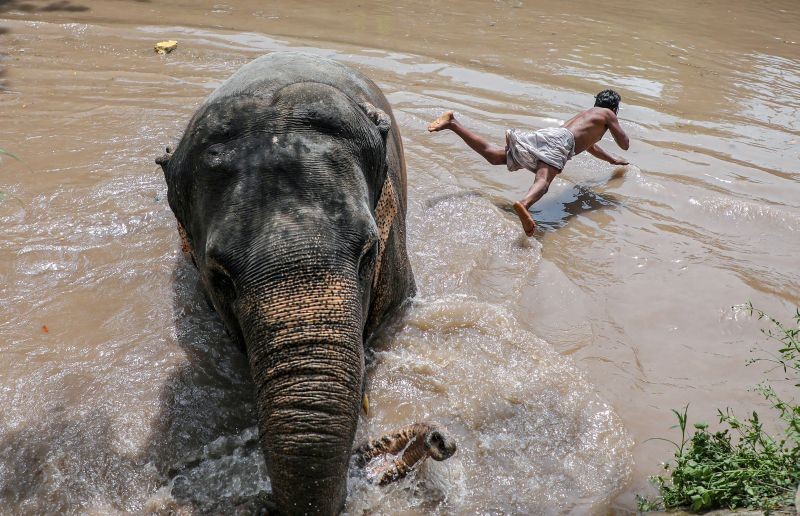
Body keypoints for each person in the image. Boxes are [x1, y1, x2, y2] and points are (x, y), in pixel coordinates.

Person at [427, 89, 630, 236]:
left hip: (552, 136)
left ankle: (452, 123)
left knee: (495, 156)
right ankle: (524, 204)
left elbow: (590, 146)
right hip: (562, 141)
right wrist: (616, 127)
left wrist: (612, 160)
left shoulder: (588, 116)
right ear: (614, 108)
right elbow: (625, 143)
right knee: (544, 180)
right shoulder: (608, 114)